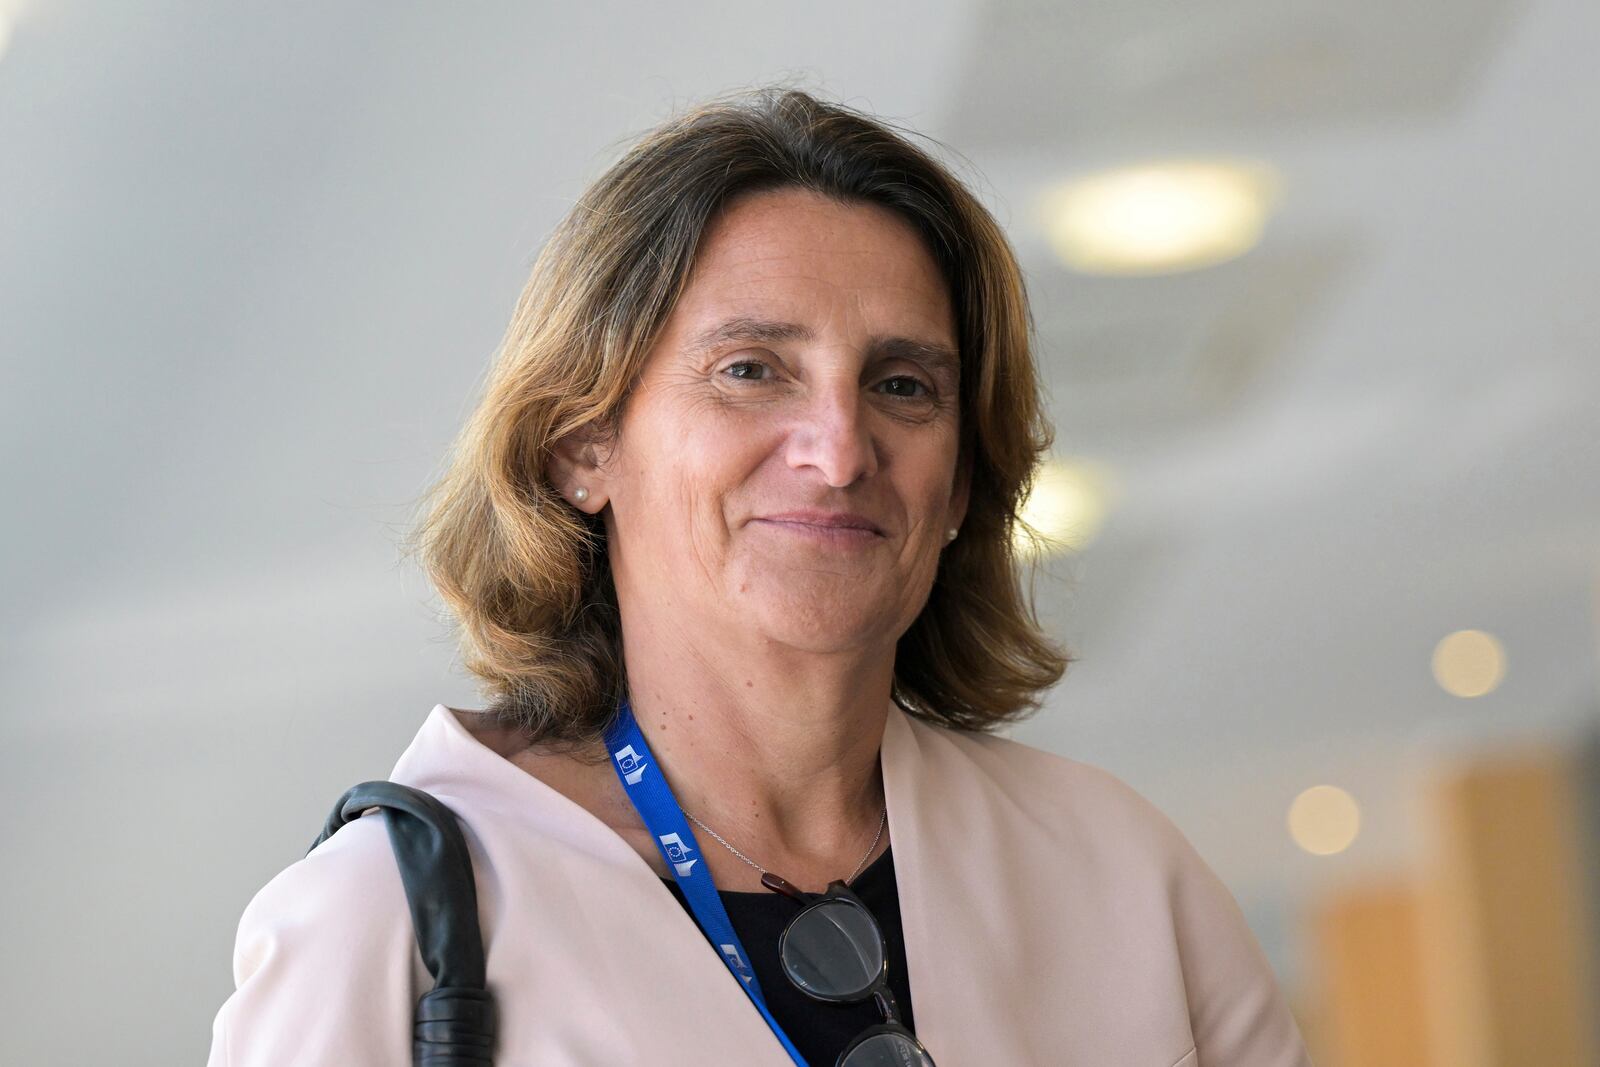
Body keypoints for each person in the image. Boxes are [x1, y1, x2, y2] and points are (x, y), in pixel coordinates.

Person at [205, 86, 1314, 1067]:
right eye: (750, 371)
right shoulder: (391, 924)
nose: (838, 451)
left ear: (965, 480)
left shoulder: (1114, 872)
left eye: (902, 385)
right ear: (581, 446)